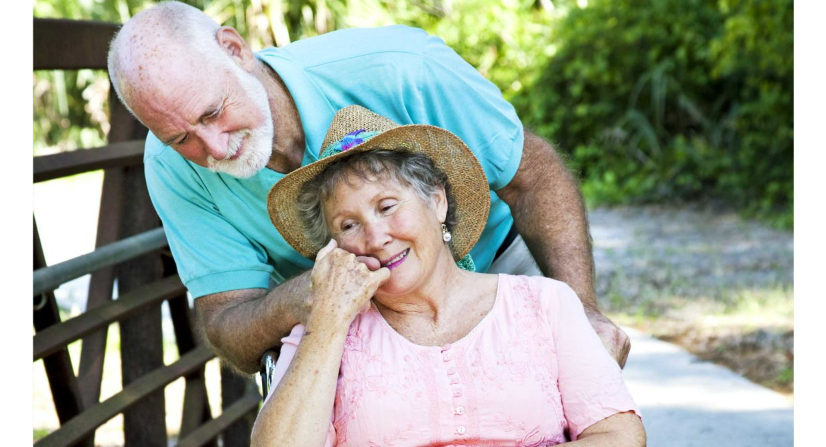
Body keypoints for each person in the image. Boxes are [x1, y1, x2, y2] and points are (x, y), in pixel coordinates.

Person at [106, 1, 630, 375]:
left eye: (214, 112)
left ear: (235, 48)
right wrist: (302, 297)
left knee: (588, 423)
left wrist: (580, 310)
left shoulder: (401, 67)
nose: (214, 148)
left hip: (495, 260)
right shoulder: (171, 166)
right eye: (182, 138)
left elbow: (533, 175)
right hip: (354, 324)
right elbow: (229, 326)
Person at [250, 105, 647, 447]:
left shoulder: (544, 303)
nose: (375, 238)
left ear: (436, 201)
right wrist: (329, 322)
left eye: (387, 207)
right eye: (349, 226)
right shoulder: (322, 330)